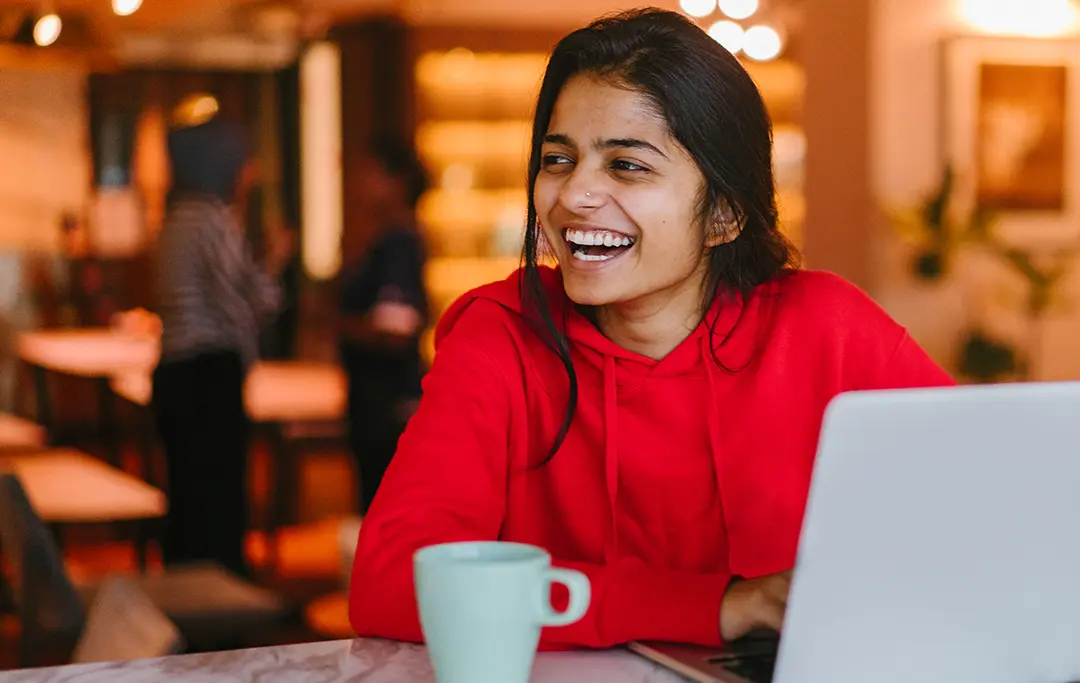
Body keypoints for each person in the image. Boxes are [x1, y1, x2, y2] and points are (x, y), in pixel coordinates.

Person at [348, 8, 955, 649]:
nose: (573, 194)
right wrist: (717, 607)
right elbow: (391, 583)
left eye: (627, 166)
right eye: (558, 159)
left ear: (724, 214)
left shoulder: (828, 328)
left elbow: (994, 500)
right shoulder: (500, 337)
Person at [151, 117, 286, 579]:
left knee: (188, 493)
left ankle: (188, 595)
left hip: (174, 371)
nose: (249, 173)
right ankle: (222, 603)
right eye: (243, 162)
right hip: (209, 373)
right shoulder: (211, 219)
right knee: (220, 494)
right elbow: (243, 305)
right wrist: (274, 263)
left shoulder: (173, 219)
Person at [337, 136, 430, 514]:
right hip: (378, 397)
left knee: (384, 506)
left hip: (386, 399)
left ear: (397, 182)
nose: (360, 181)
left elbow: (395, 332)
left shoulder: (398, 243)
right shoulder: (387, 239)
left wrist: (338, 325)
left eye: (370, 172)